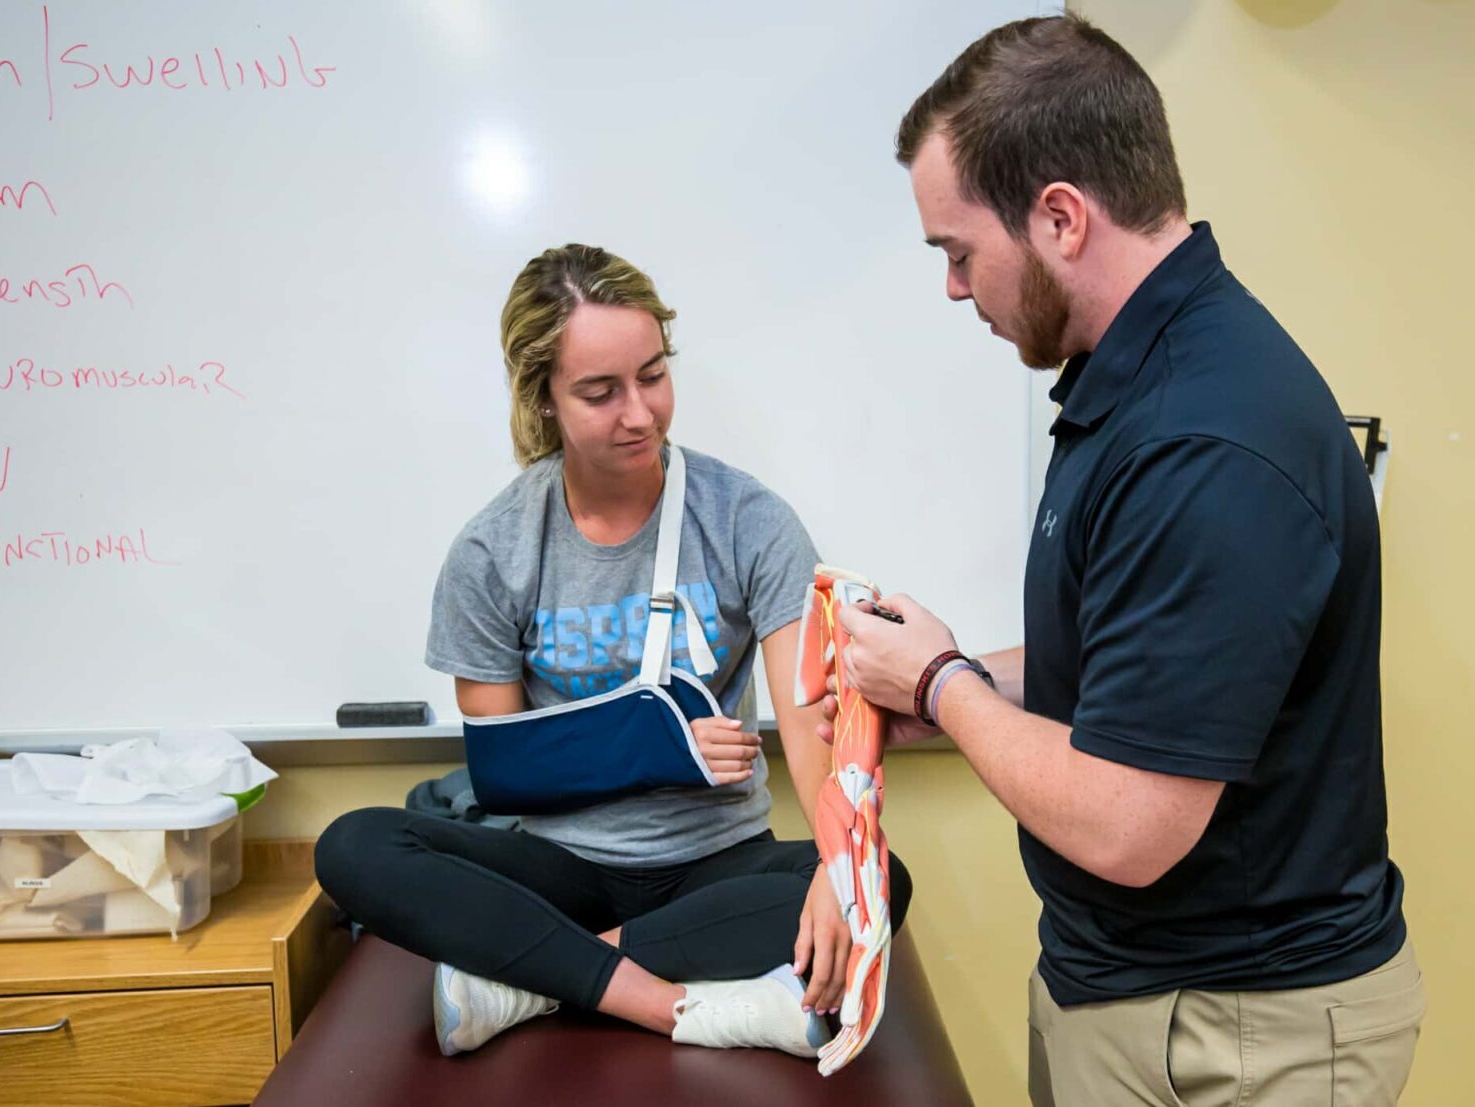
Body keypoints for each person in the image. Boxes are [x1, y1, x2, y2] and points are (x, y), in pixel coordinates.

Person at [821, 14, 1421, 1106]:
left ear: (1058, 217)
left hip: (1236, 1033)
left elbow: (1132, 825)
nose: (955, 289)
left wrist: (942, 687)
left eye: (958, 252)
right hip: (1141, 995)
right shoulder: (1142, 383)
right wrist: (969, 679)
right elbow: (1138, 666)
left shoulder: (1203, 440)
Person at [316, 243, 911, 1059]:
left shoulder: (747, 520)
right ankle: (671, 1001)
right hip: (558, 870)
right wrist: (658, 746)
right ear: (544, 398)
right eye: (600, 392)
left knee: (882, 876)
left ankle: (524, 978)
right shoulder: (494, 551)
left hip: (716, 862)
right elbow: (505, 769)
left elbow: (811, 724)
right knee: (353, 845)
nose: (640, 412)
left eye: (653, 374)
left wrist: (837, 867)